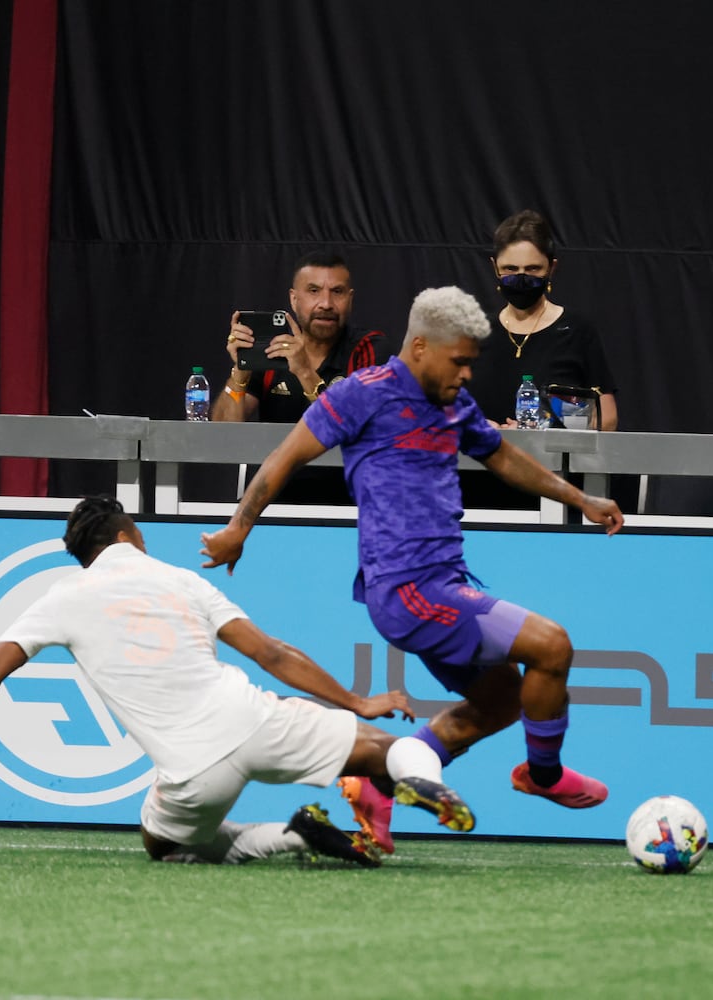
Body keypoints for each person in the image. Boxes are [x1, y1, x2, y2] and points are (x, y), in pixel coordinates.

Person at [200, 286, 624, 855]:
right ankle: (542, 775)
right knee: (552, 645)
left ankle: (377, 787)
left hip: (444, 585)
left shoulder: (453, 404)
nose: (469, 374)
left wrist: (581, 498)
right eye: (461, 361)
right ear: (420, 347)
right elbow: (285, 457)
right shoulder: (361, 395)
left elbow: (502, 456)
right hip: (407, 590)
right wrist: (238, 528)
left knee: (503, 701)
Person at [0, 494, 476, 866]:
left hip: (193, 773)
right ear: (130, 534)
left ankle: (294, 836)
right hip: (253, 717)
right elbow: (273, 654)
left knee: (164, 843)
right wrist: (358, 701)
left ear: (85, 557)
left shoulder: (66, 596)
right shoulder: (181, 580)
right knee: (389, 749)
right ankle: (422, 779)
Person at [471, 210, 618, 431]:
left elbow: (607, 421)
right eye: (510, 269)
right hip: (480, 463)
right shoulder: (476, 333)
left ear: (551, 268)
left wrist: (540, 431)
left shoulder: (576, 331)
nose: (521, 277)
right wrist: (477, 428)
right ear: (495, 268)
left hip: (551, 464)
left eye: (533, 269)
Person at [214, 250, 387, 424]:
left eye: (337, 291)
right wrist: (241, 369)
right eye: (314, 290)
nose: (326, 304)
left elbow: (360, 430)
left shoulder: (368, 349)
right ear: (294, 299)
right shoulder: (273, 350)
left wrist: (305, 372)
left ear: (350, 299)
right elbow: (222, 435)